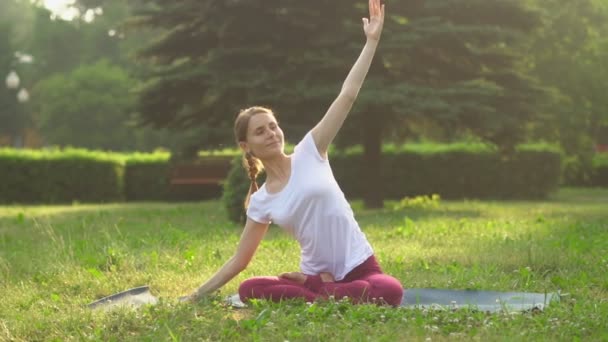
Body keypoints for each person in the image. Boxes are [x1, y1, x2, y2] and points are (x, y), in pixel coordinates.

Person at [184, 0, 403, 307]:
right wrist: (195, 295)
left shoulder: (311, 151)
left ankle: (318, 293)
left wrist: (372, 42)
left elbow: (348, 95)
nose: (271, 133)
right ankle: (324, 293)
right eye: (260, 131)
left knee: (391, 290)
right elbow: (240, 260)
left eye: (273, 126)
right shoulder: (261, 201)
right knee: (250, 288)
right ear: (246, 146)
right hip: (315, 273)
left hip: (361, 268)